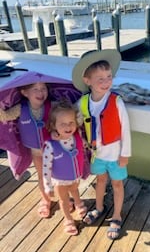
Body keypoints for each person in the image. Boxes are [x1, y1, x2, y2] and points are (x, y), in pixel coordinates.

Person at [72, 49, 131, 240]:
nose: (106, 82)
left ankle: (117, 215)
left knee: (117, 184)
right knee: (100, 181)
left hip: (115, 155)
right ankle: (99, 207)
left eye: (109, 77)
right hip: (97, 154)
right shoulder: (82, 102)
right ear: (87, 80)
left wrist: (125, 154)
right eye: (100, 79)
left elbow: (125, 130)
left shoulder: (116, 101)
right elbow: (75, 121)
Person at [0, 82, 75, 218]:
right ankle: (45, 200)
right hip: (37, 153)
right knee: (42, 176)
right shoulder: (19, 109)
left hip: (55, 151)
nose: (41, 93)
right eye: (36, 89)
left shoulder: (52, 106)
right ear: (24, 92)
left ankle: (66, 197)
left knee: (60, 175)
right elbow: (5, 116)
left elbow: (68, 111)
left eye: (43, 89)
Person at [42, 100, 87, 236]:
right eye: (62, 124)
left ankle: (78, 203)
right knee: (64, 200)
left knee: (75, 190)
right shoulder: (51, 145)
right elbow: (46, 167)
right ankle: (68, 219)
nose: (68, 126)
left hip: (74, 176)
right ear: (53, 125)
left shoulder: (77, 137)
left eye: (71, 122)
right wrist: (48, 186)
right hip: (59, 181)